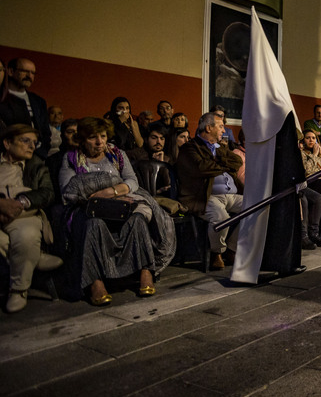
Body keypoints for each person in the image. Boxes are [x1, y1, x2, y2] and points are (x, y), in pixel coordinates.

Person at [60, 117, 175, 304]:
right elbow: (69, 189)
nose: (99, 142)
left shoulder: (117, 155)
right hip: (89, 209)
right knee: (94, 223)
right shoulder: (72, 158)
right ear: (82, 139)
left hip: (119, 204)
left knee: (137, 219)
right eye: (92, 137)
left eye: (103, 136)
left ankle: (146, 271)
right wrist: (102, 191)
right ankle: (94, 281)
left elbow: (131, 181)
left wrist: (110, 191)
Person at [0, 124, 62, 313]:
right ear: (7, 143)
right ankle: (34, 256)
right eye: (25, 141)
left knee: (26, 235)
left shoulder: (37, 165)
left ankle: (18, 290)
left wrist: (20, 203)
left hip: (25, 213)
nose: (31, 146)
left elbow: (47, 193)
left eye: (34, 142)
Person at [175, 112, 244, 270]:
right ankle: (216, 252)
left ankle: (231, 249)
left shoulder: (220, 148)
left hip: (232, 194)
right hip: (205, 196)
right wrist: (223, 164)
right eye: (220, 126)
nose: (223, 130)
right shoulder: (189, 148)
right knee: (222, 219)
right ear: (208, 128)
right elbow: (202, 167)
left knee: (257, 208)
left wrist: (217, 160)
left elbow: (237, 161)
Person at [0, 58, 51, 154]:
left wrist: (40, 154)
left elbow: (45, 132)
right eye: (25, 71)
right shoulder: (2, 97)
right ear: (11, 71)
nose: (29, 76)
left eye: (33, 73)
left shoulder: (39, 101)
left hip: (35, 154)